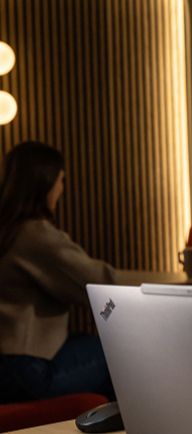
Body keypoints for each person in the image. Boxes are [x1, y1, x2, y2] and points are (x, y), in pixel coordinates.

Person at [0, 141, 116, 403]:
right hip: (26, 371)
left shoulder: (7, 230)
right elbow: (99, 283)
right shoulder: (35, 235)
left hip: (6, 368)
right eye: (61, 180)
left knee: (89, 343)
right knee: (123, 351)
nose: (62, 189)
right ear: (45, 183)